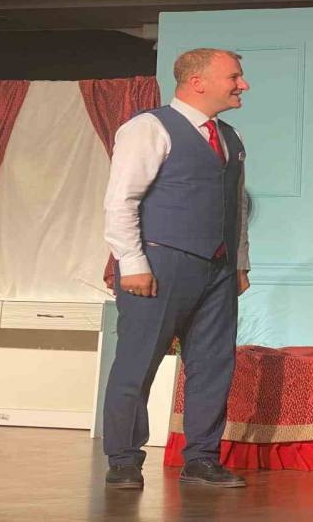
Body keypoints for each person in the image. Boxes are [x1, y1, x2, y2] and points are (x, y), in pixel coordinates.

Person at [102, 48, 252, 490]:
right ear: (197, 81)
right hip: (160, 262)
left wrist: (240, 263)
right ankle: (124, 460)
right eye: (234, 77)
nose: (242, 85)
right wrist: (132, 263)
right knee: (137, 362)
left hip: (218, 267)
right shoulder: (149, 128)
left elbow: (237, 208)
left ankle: (202, 459)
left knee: (213, 365)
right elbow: (121, 200)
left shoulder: (230, 137)